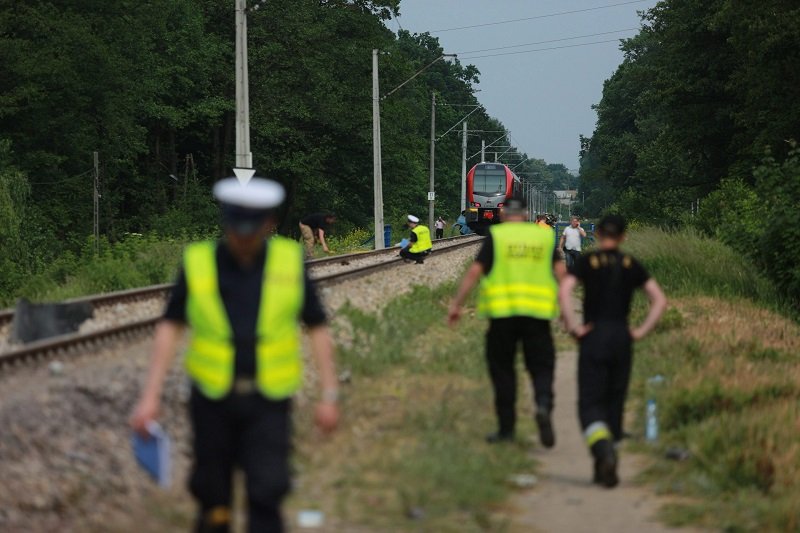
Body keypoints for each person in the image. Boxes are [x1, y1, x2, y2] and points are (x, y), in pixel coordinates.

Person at [130, 177, 340, 532]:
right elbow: (170, 325)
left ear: (267, 224)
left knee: (267, 490)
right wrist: (150, 396)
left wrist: (329, 394)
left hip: (269, 399)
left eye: (252, 229)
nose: (243, 239)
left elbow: (317, 325)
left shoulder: (289, 261)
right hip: (212, 399)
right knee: (212, 497)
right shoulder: (197, 261)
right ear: (226, 222)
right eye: (236, 229)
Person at [558, 214, 666, 488]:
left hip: (593, 337)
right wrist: (640, 331)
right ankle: (607, 455)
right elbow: (659, 300)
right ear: (623, 237)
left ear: (597, 235)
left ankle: (603, 450)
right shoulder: (630, 264)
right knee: (614, 400)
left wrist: (573, 326)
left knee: (590, 404)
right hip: (621, 338)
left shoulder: (587, 262)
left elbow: (565, 291)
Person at [448, 198, 566, 446]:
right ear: (525, 214)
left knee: (503, 370)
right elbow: (561, 274)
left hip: (502, 315)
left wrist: (456, 304)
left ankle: (506, 430)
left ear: (503, 213)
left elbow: (475, 271)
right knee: (542, 366)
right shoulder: (543, 237)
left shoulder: (497, 236)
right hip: (538, 314)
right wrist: (567, 310)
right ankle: (543, 404)